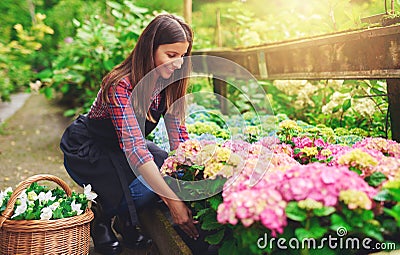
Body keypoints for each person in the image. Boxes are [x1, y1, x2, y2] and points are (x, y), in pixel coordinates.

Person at [60, 14, 202, 255]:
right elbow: (135, 149)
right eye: (171, 55)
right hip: (91, 150)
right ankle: (100, 214)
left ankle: (124, 216)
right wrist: (172, 202)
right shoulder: (121, 85)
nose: (178, 64)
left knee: (166, 169)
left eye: (182, 56)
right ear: (149, 49)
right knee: (146, 189)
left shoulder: (169, 84)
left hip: (123, 148)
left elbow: (179, 139)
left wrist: (193, 177)